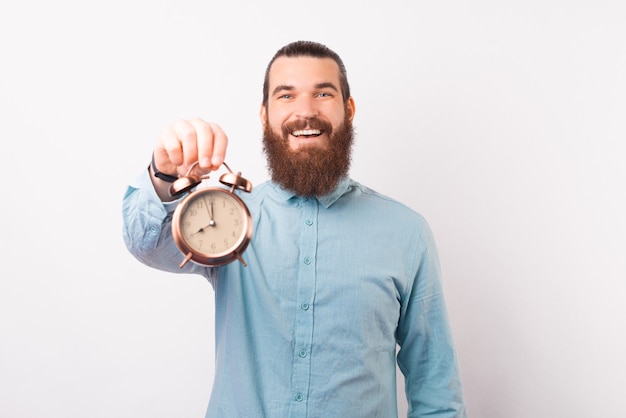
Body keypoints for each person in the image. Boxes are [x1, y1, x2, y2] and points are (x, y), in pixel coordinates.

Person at [122, 40, 467, 417]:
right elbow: (147, 244)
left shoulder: (407, 232)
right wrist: (164, 173)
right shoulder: (225, 218)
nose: (305, 111)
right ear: (265, 114)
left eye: (323, 92)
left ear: (348, 110)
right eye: (286, 96)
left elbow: (435, 385)